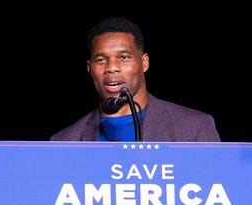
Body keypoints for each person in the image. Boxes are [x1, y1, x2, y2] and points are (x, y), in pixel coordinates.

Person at [50, 16, 220, 143]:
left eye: (123, 57)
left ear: (144, 62)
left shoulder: (194, 127)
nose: (112, 67)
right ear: (89, 68)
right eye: (101, 60)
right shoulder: (63, 142)